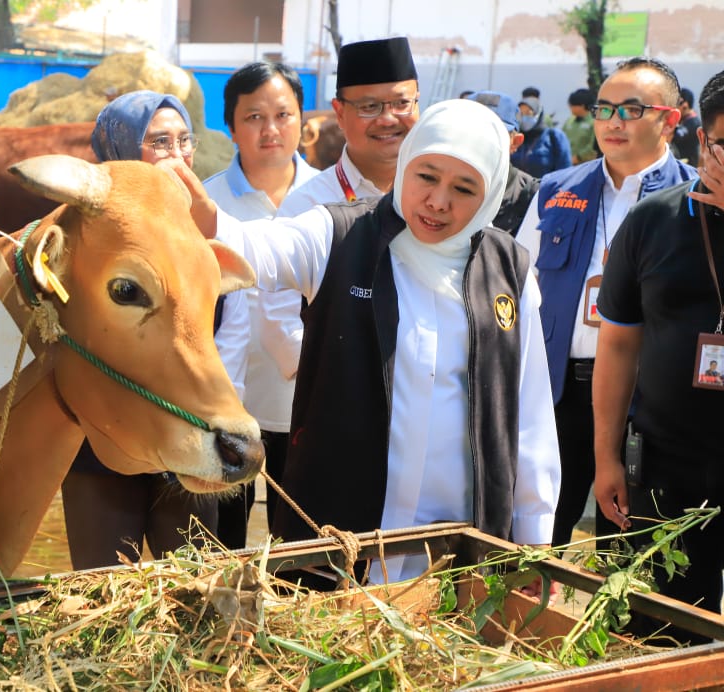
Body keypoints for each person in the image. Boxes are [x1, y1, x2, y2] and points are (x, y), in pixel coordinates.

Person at [206, 99, 560, 588]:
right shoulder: (341, 235)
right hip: (343, 540)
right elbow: (252, 247)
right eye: (426, 176)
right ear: (406, 163)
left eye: (464, 188)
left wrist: (536, 539)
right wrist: (197, 215)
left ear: (492, 193)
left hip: (462, 547)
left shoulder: (509, 270)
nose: (438, 201)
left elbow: (531, 415)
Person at [61, 90, 246, 569]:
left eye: (185, 140)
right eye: (159, 141)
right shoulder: (77, 230)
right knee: (102, 587)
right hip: (102, 438)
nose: (178, 154)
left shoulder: (201, 229)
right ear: (120, 150)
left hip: (187, 433)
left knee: (194, 588)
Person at [516, 57, 696, 549]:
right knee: (534, 538)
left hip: (648, 402)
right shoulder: (556, 189)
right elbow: (517, 286)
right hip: (558, 393)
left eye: (632, 109)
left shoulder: (694, 201)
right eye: (604, 108)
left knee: (629, 550)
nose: (613, 122)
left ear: (671, 119)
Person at [593, 69, 724, 642]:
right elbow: (618, 342)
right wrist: (606, 457)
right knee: (667, 632)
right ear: (703, 140)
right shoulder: (654, 222)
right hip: (672, 469)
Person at [202, 61, 319, 549]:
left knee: (299, 545)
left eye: (283, 115)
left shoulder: (328, 198)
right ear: (231, 127)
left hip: (306, 406)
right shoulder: (207, 204)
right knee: (219, 543)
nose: (270, 130)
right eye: (253, 117)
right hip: (229, 407)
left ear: (301, 121)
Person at [277, 37, 420, 216]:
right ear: (340, 113)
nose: (387, 120)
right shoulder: (306, 207)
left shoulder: (442, 195)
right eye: (369, 106)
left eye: (402, 103)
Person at [465, 90, 540, 235]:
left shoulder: (532, 196)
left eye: (494, 134)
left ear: (515, 142)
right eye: (469, 131)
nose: (480, 141)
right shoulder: (437, 187)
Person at [511, 93, 572, 177]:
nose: (524, 117)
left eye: (529, 113)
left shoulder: (554, 137)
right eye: (521, 114)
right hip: (517, 189)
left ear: (538, 114)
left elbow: (564, 171)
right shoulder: (514, 137)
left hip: (545, 188)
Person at [563, 88, 598, 164]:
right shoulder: (569, 121)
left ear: (582, 106)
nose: (570, 108)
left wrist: (578, 158)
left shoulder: (594, 122)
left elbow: (593, 147)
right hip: (567, 166)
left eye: (572, 105)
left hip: (586, 166)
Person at [671, 86, 702, 166]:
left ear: (685, 105)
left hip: (688, 168)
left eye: (677, 104)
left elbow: (675, 137)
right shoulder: (685, 121)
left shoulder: (693, 123)